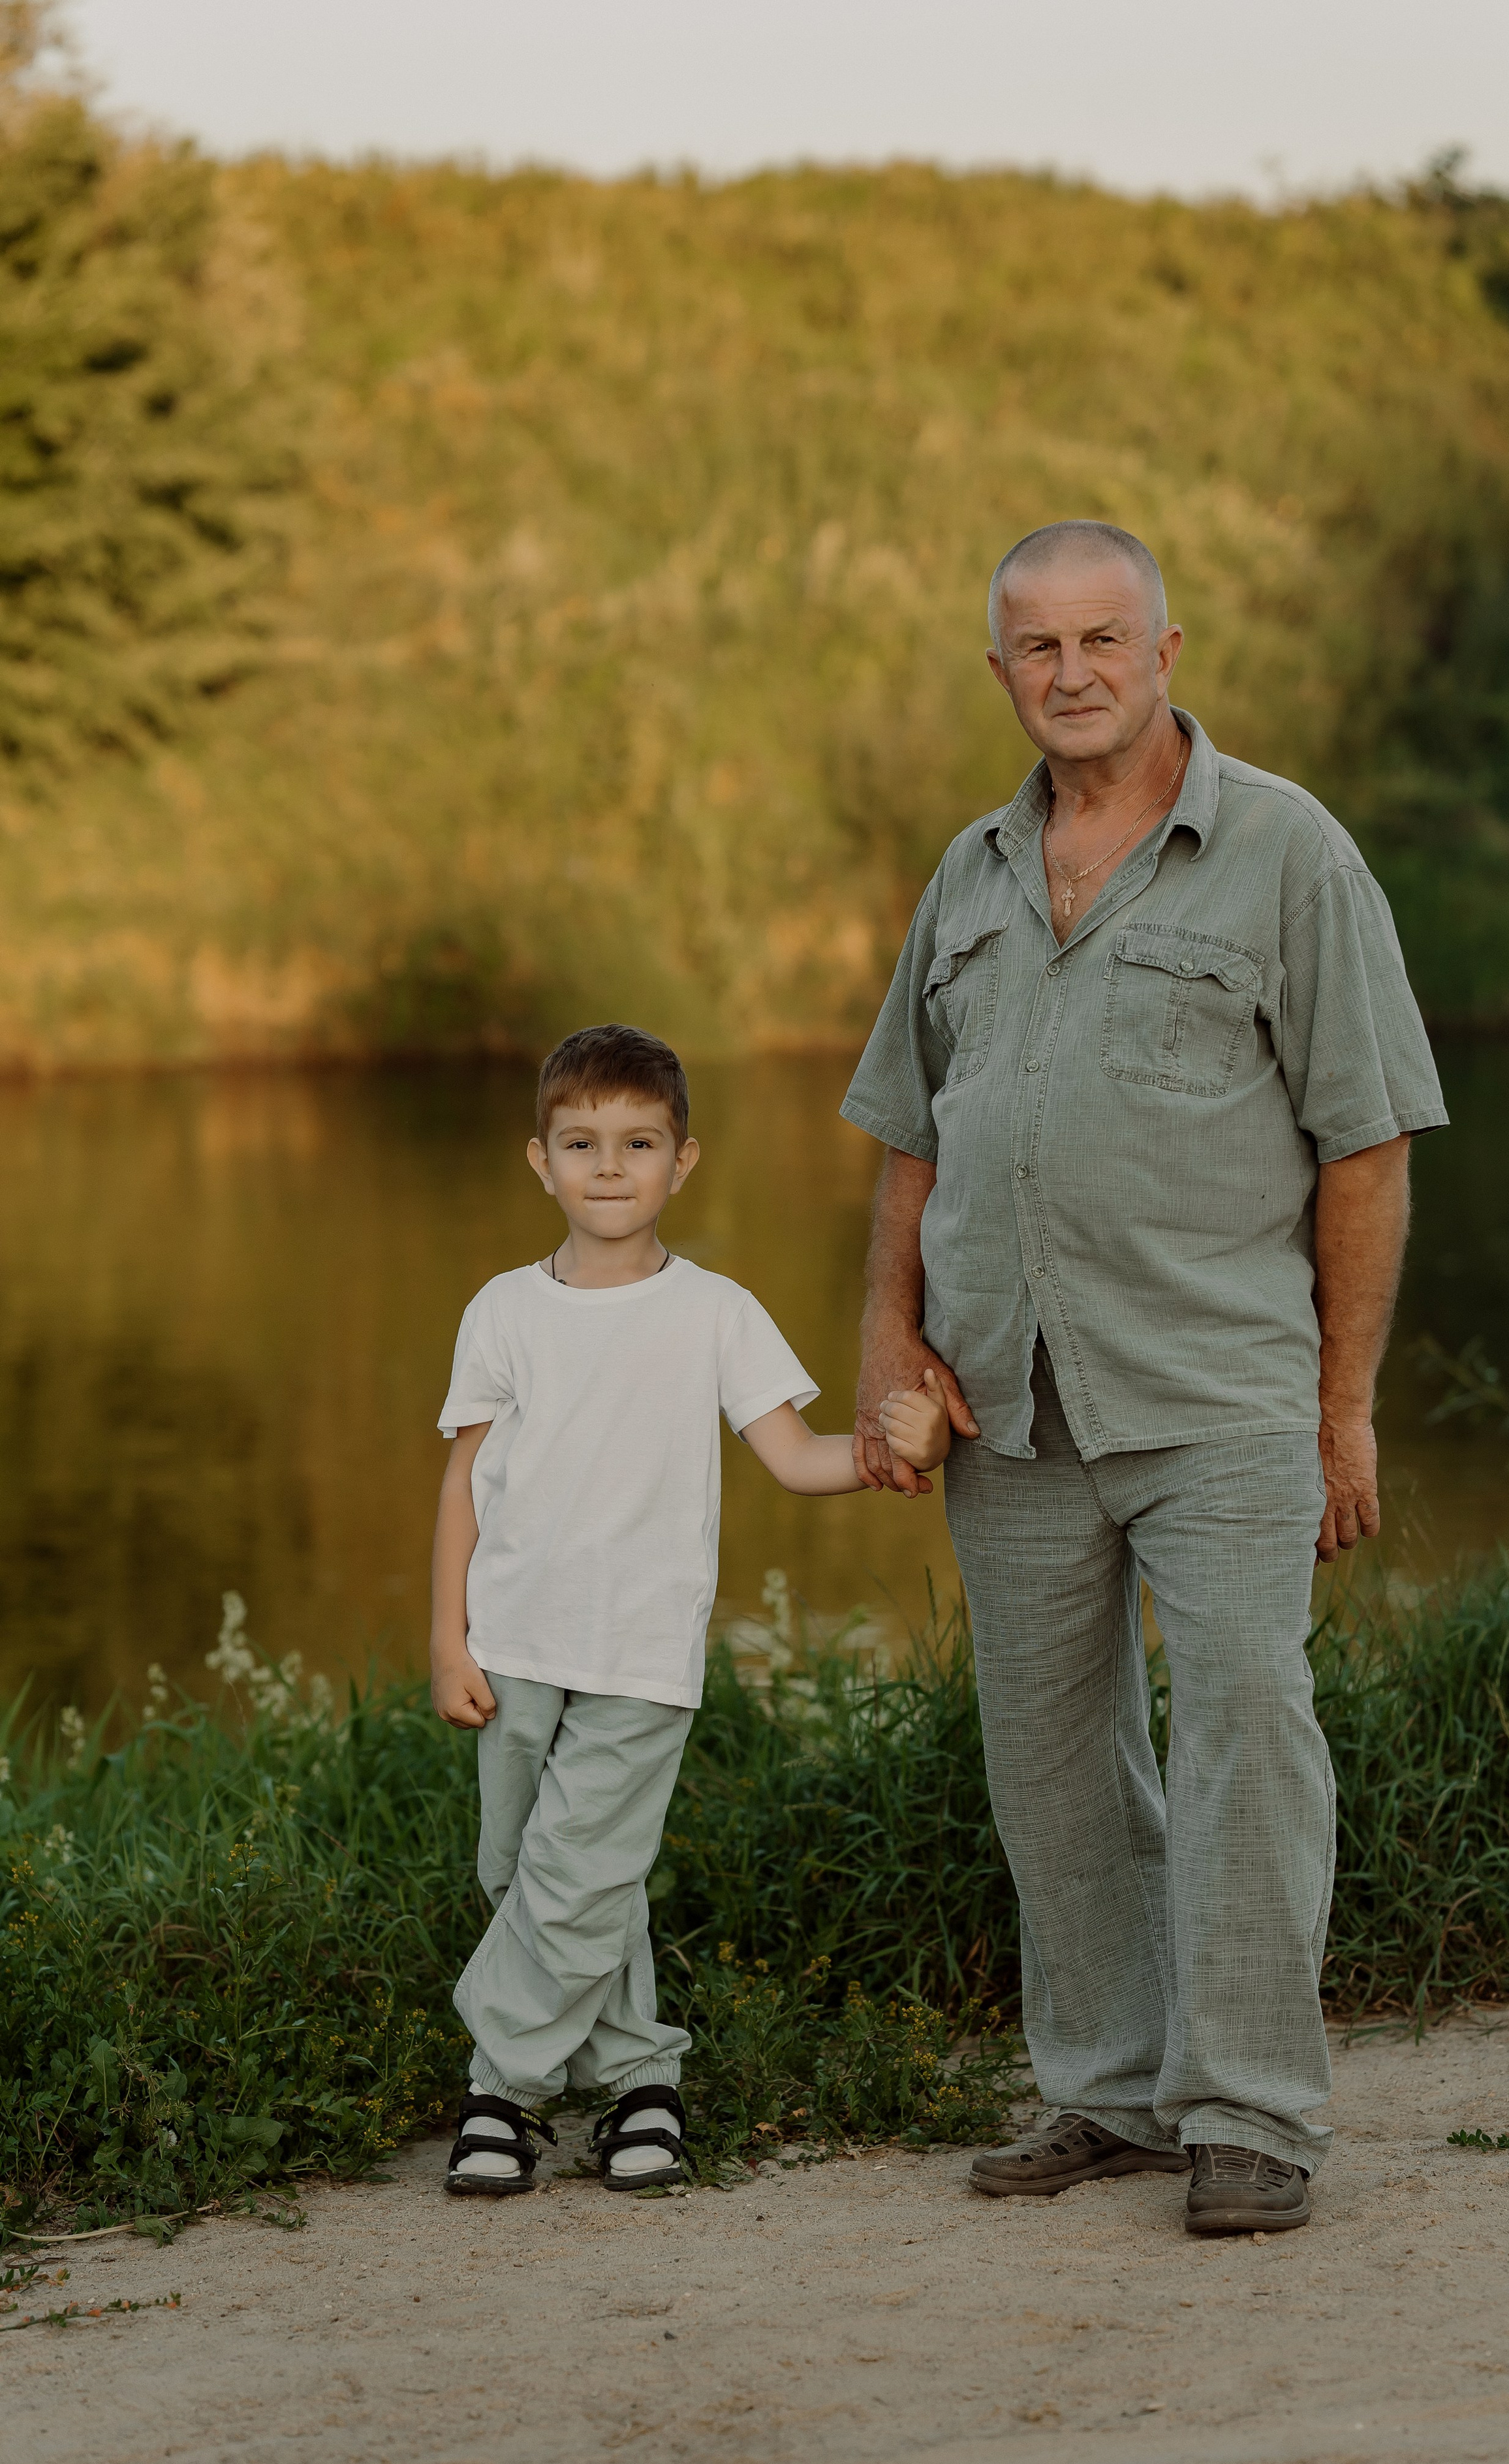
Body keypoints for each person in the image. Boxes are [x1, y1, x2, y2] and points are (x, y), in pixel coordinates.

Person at [843, 520, 1448, 2236]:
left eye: (1104, 640)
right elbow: (908, 1139)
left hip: (1224, 1391)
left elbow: (1370, 1146)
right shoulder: (967, 877)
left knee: (1251, 1723)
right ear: (1001, 674)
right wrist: (891, 1346)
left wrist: (1344, 1406)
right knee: (1049, 1754)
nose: (1074, 673)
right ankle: (1106, 2092)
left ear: (1167, 650)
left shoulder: (1288, 853)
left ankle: (1252, 2114)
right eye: (1039, 648)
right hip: (1008, 1404)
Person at [429, 1022, 946, 2194]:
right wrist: (445, 1636)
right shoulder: (503, 1310)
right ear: (539, 1160)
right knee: (528, 1870)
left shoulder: (714, 1310)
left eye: (638, 1143)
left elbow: (796, 1455)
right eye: (582, 1143)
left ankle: (496, 2088)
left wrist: (891, 1449)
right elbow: (465, 1480)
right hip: (511, 1639)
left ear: (684, 1161)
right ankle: (640, 2085)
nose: (609, 1167)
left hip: (639, 1651)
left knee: (573, 1869)